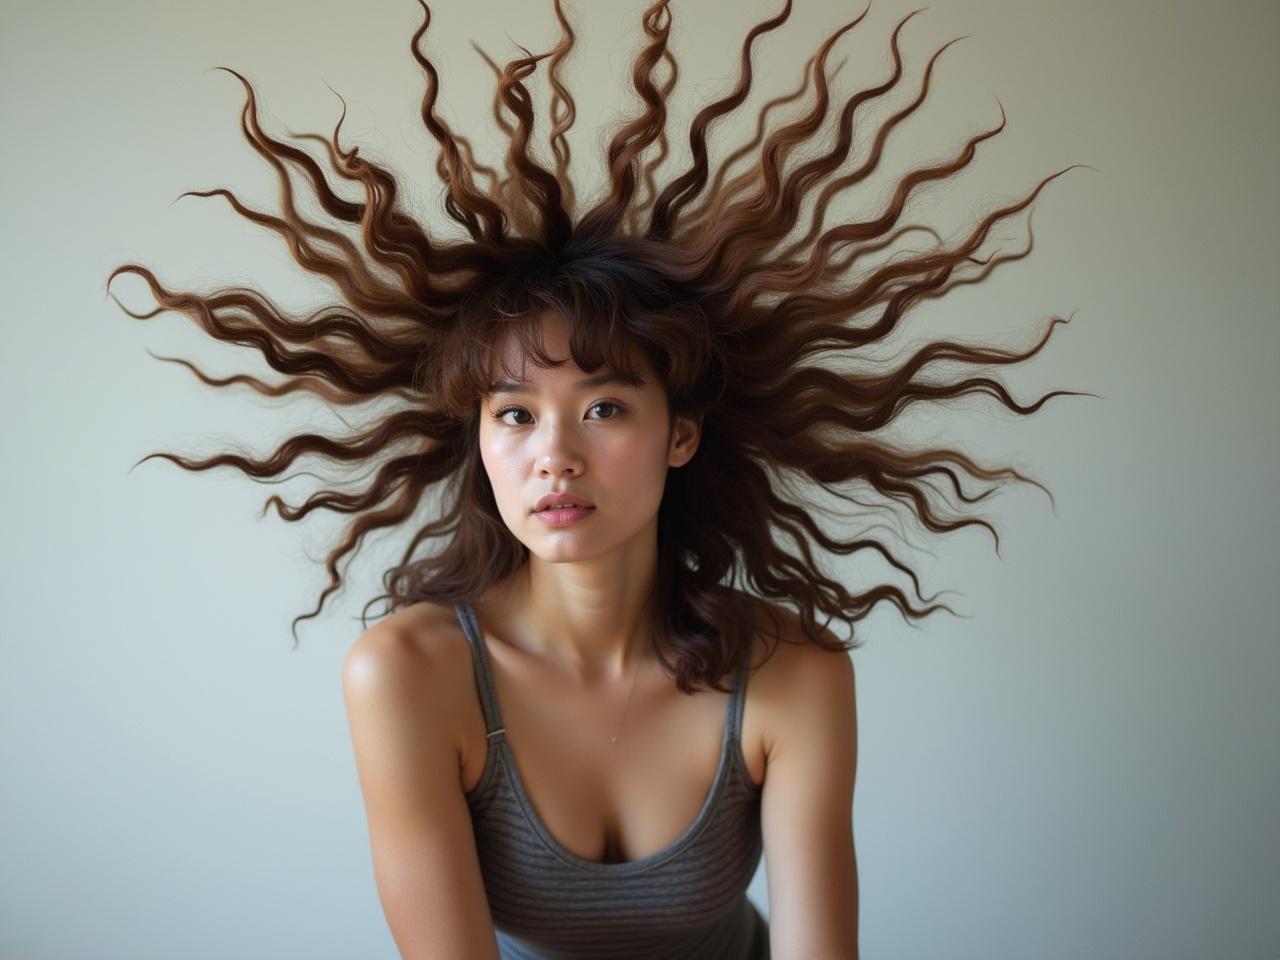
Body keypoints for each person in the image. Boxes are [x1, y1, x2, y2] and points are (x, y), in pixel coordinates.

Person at [111, 0, 1085, 955]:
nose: (554, 456)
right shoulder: (409, 678)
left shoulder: (793, 675)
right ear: (481, 441)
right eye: (515, 416)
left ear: (681, 437)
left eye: (605, 409)